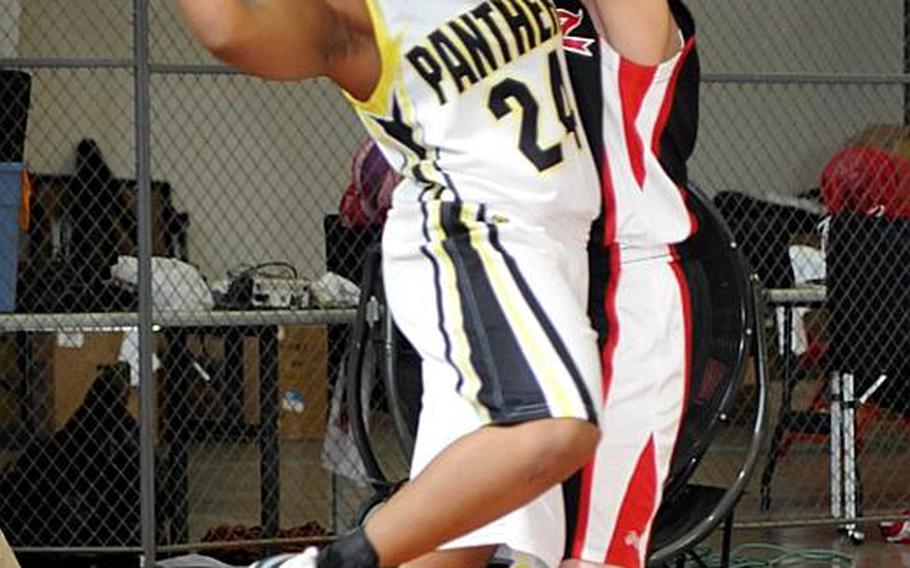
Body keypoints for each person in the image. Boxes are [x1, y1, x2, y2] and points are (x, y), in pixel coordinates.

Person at [176, 2, 604, 567]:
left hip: (555, 250)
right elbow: (230, 30)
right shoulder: (370, 16)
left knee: (454, 548)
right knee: (553, 422)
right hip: (476, 236)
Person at [554, 1, 703, 567]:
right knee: (525, 546)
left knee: (594, 555)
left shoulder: (635, 14)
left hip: (626, 289)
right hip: (536, 284)